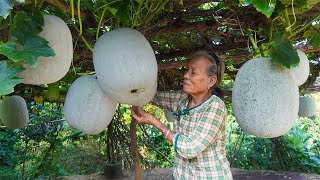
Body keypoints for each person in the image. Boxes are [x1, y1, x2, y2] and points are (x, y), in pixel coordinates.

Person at [131, 50, 232, 180]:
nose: (186, 75)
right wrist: (131, 91)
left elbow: (190, 149)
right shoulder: (182, 99)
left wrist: (155, 122)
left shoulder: (215, 106)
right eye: (187, 70)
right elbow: (154, 97)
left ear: (211, 81)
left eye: (193, 72)